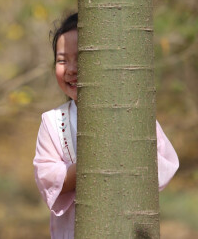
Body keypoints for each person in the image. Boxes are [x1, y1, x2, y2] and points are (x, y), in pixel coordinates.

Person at [33, 13, 179, 239]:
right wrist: (93, 164)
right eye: (62, 60)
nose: (71, 69)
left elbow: (163, 163)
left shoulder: (134, 111)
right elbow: (47, 177)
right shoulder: (53, 122)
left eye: (81, 57)